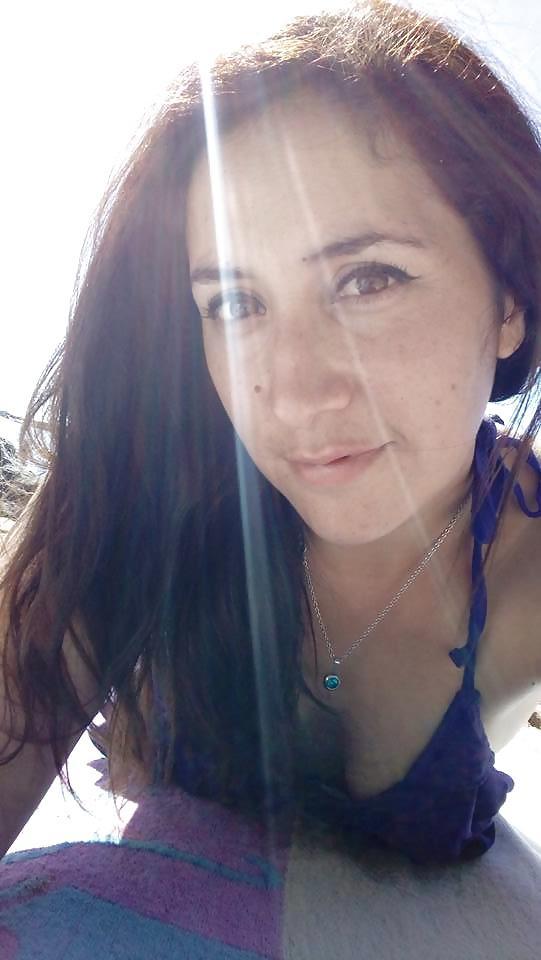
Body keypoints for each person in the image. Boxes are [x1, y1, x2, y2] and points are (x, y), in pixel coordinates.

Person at [1, 0, 541, 870]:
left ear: (509, 297)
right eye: (233, 302)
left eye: (369, 279)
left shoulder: (523, 565)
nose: (290, 392)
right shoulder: (144, 487)